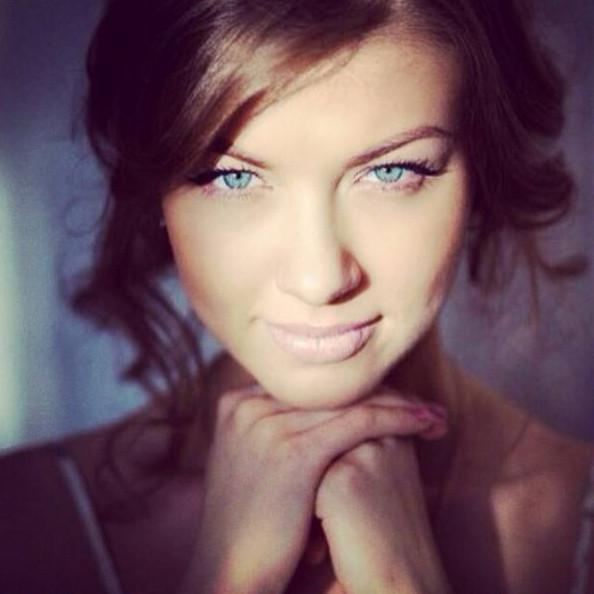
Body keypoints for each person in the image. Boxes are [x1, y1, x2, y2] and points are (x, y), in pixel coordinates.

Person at [1, 0, 592, 593]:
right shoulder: (23, 525)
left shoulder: (575, 521)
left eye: (390, 172)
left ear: (480, 174)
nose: (319, 279)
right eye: (233, 177)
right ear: (155, 187)